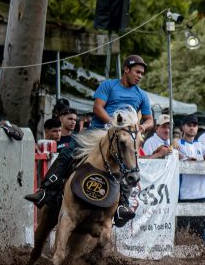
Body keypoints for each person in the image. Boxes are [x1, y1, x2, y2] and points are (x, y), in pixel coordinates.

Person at [25, 55, 153, 227]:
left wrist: (142, 127)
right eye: (137, 72)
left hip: (122, 138)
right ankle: (46, 190)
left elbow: (150, 119)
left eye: (142, 73)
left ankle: (122, 206)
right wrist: (113, 124)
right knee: (68, 151)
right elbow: (98, 107)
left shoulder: (141, 95)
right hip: (98, 132)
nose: (140, 76)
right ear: (126, 69)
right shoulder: (108, 85)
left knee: (130, 167)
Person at [175, 115, 205, 242]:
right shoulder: (177, 144)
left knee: (199, 231)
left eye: (194, 125)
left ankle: (197, 253)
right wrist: (174, 142)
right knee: (182, 230)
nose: (192, 128)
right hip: (184, 194)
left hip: (201, 194)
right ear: (183, 127)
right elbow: (169, 149)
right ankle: (179, 252)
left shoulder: (200, 145)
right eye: (189, 125)